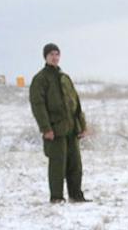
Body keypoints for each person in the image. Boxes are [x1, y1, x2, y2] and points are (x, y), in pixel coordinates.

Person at [28, 43, 89, 204]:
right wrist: (46, 128)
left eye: (57, 54)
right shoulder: (40, 79)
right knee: (57, 164)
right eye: (51, 54)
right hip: (55, 129)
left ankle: (76, 195)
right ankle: (56, 197)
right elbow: (38, 106)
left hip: (71, 128)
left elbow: (76, 102)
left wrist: (82, 125)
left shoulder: (64, 77)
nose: (54, 57)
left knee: (75, 164)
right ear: (45, 57)